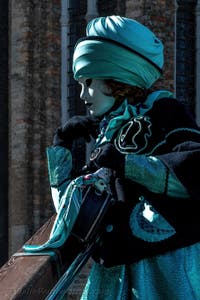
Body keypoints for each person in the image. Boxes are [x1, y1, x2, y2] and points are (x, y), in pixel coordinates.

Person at [24, 16, 200, 299]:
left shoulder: (166, 113)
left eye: (88, 82)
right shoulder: (111, 131)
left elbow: (195, 173)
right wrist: (62, 148)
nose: (82, 95)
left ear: (118, 79)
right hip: (114, 279)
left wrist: (127, 164)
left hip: (164, 276)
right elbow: (73, 215)